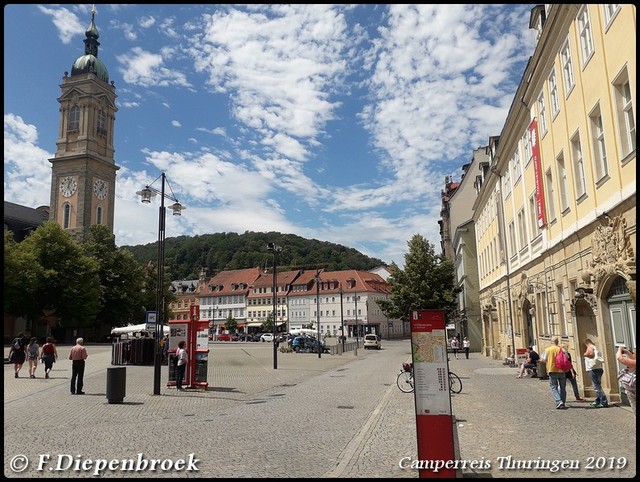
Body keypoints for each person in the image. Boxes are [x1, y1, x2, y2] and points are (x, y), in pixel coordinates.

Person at [540, 338, 567, 409]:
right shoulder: (562, 350)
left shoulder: (548, 350)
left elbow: (543, 360)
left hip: (552, 370)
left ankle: (559, 401)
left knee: (553, 387)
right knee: (562, 387)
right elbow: (567, 358)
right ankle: (563, 402)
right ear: (557, 342)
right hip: (561, 370)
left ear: (551, 342)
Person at [583, 338, 608, 408]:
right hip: (598, 368)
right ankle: (598, 400)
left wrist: (585, 354)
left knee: (597, 387)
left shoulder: (590, 347)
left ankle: (603, 402)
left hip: (593, 369)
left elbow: (590, 354)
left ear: (587, 343)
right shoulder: (596, 348)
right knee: (597, 385)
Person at [616, 346, 636, 416]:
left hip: (633, 390)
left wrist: (619, 350)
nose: (632, 354)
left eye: (634, 352)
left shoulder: (634, 363)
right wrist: (627, 352)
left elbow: (619, 358)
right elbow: (633, 357)